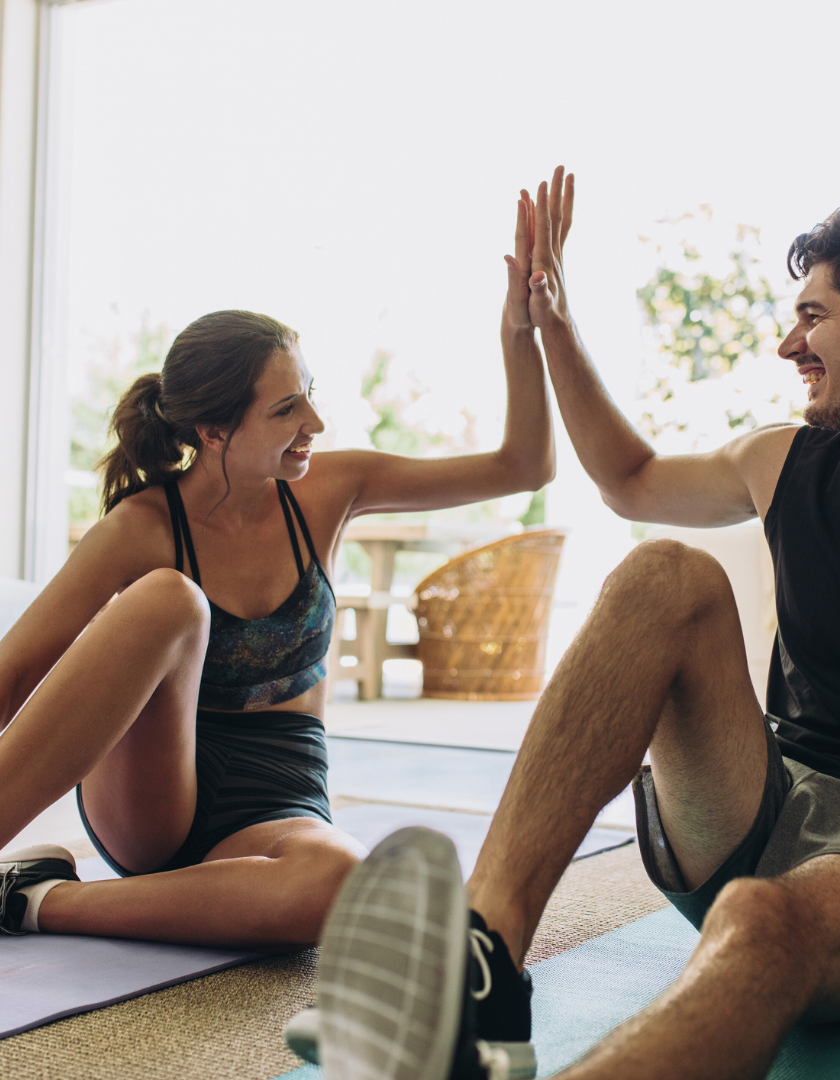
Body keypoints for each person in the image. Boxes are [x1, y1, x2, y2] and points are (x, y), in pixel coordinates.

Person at [303, 168, 840, 1080]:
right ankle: (482, 966)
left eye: (815, 317)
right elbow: (629, 479)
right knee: (664, 571)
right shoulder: (783, 461)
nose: (791, 343)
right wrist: (552, 319)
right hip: (767, 795)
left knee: (760, 920)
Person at [0, 192, 554, 950]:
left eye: (311, 398)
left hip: (281, 793)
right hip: (156, 791)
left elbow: (524, 465)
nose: (315, 427)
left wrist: (522, 330)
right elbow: (14, 673)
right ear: (214, 430)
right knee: (171, 601)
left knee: (340, 888)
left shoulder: (330, 490)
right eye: (288, 409)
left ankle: (34, 902)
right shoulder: (143, 527)